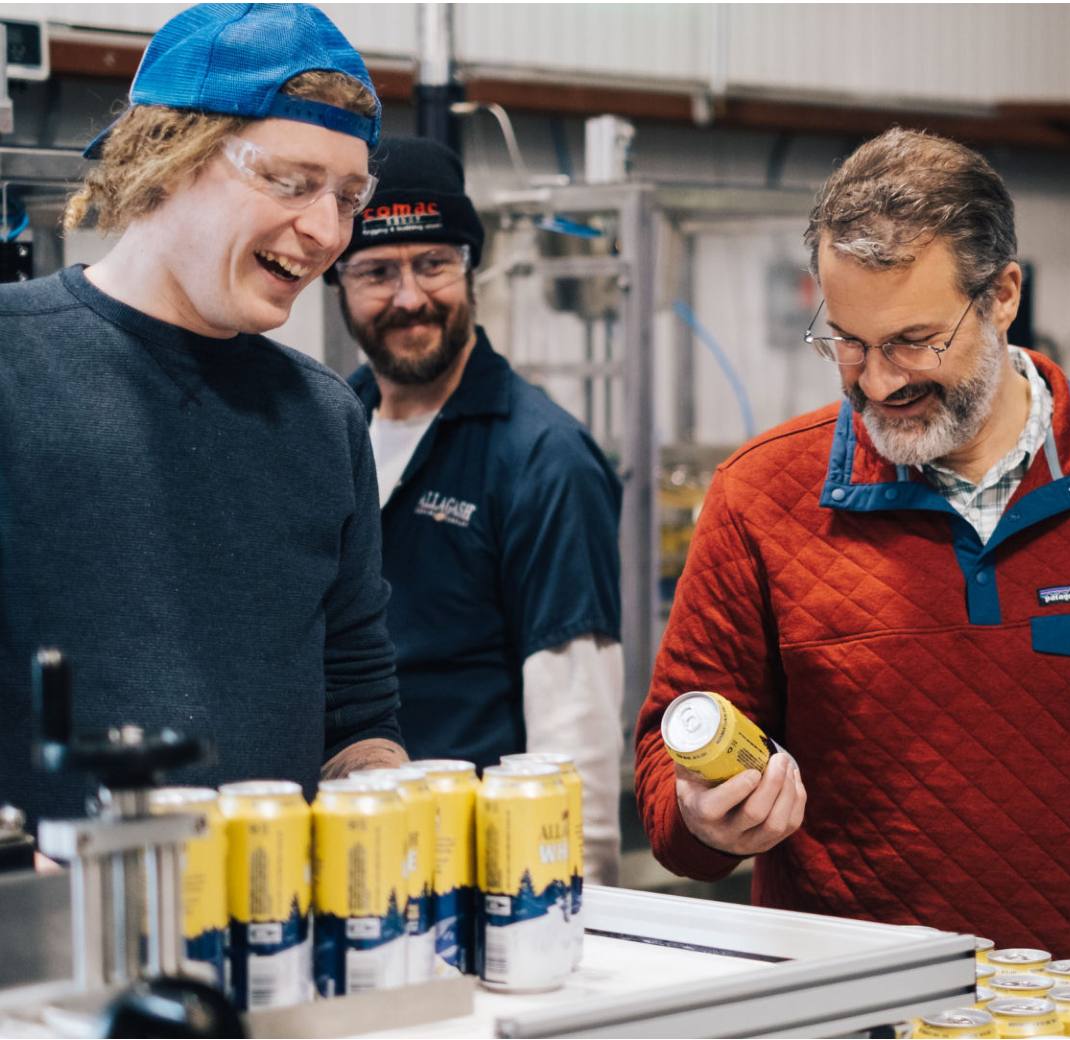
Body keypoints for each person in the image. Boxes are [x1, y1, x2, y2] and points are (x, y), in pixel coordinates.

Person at [635, 128, 1070, 1038]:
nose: (878, 382)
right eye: (846, 341)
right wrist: (700, 819)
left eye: (915, 341)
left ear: (1002, 294)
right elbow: (666, 750)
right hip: (849, 1020)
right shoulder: (762, 498)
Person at [0, 3, 407, 827]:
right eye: (290, 182)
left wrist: (386, 802)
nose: (326, 231)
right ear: (165, 155)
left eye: (348, 196)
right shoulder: (13, 369)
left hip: (272, 935)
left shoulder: (325, 418)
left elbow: (357, 714)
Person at [329, 137, 625, 883]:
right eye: (376, 271)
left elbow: (576, 717)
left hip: (487, 878)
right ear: (337, 279)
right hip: (355, 863)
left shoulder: (542, 456)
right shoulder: (328, 425)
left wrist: (573, 902)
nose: (409, 297)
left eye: (434, 263)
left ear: (471, 270)